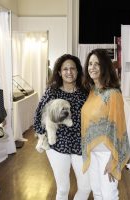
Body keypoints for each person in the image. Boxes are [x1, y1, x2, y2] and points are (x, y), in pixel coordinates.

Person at [34, 54, 91, 200]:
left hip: (81, 145)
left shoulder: (86, 91)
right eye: (65, 69)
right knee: (63, 189)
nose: (69, 72)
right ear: (59, 72)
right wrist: (42, 136)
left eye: (72, 68)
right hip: (58, 146)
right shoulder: (52, 91)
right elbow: (38, 114)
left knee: (85, 187)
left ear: (78, 71)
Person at [81, 48, 130, 200]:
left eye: (97, 64)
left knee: (109, 195)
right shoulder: (92, 91)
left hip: (107, 154)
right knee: (97, 193)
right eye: (90, 64)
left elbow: (118, 127)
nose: (92, 67)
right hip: (93, 152)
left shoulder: (113, 94)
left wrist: (113, 159)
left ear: (105, 67)